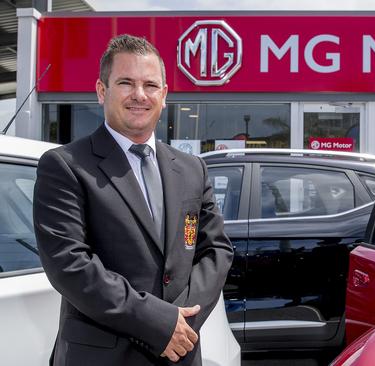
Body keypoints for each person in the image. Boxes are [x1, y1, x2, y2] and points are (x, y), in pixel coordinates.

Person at [33, 34, 233, 365]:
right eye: (126, 83)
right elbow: (70, 265)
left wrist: (182, 322)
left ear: (164, 95)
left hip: (181, 352)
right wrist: (160, 323)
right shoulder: (65, 165)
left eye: (150, 85)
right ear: (101, 91)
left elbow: (217, 251)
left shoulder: (192, 168)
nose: (139, 95)